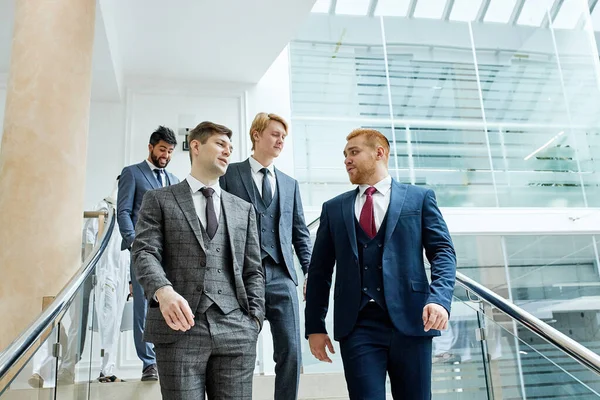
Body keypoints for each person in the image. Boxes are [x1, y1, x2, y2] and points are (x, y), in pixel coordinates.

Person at [305, 128, 456, 399]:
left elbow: (443, 252)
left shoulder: (419, 198)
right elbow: (319, 272)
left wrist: (440, 299)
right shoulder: (333, 208)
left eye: (354, 152)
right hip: (358, 325)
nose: (346, 160)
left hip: (413, 320)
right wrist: (315, 326)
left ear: (379, 153)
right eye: (345, 155)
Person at [132, 121, 264, 400]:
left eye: (230, 147)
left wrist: (254, 321)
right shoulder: (158, 199)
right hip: (178, 330)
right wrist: (163, 291)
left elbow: (254, 270)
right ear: (195, 146)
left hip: (237, 331)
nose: (228, 151)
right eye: (220, 144)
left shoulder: (244, 210)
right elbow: (144, 252)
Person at [220, 112, 311, 400]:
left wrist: (309, 272)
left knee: (292, 353)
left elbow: (300, 234)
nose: (280, 140)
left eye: (284, 137)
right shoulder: (229, 175)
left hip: (283, 277)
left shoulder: (289, 183)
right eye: (275, 134)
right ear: (256, 135)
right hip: (242, 279)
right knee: (239, 354)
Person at [117, 126, 179, 381]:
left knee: (170, 303)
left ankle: (167, 359)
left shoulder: (174, 180)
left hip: (171, 254)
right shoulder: (132, 173)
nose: (165, 155)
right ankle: (148, 363)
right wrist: (134, 243)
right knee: (143, 308)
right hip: (143, 251)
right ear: (151, 147)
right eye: (162, 149)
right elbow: (123, 212)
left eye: (170, 151)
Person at [85, 176, 130, 382]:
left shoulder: (128, 214)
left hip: (122, 273)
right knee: (107, 317)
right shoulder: (103, 208)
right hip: (105, 271)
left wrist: (130, 280)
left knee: (116, 319)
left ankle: (108, 369)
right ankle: (104, 369)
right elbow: (89, 240)